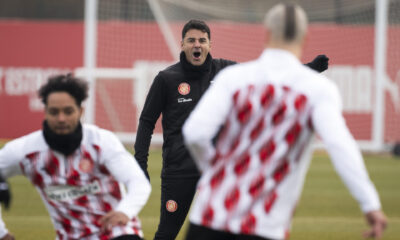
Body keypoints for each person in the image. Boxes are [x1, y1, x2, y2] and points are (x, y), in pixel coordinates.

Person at [182, 4, 387, 240]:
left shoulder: (233, 78)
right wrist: (369, 203)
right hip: (264, 226)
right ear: (305, 38)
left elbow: (194, 133)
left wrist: (212, 169)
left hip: (209, 218)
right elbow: (340, 146)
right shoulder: (317, 90)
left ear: (267, 34)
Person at [134, 19, 329, 240]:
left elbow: (265, 77)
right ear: (182, 44)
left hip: (220, 172)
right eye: (191, 40)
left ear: (209, 44)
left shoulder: (226, 72)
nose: (197, 45)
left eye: (202, 40)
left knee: (227, 232)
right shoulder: (166, 79)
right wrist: (140, 163)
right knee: (167, 233)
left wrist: (308, 69)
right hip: (179, 171)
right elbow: (147, 122)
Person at [0, 74, 151, 240]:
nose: (61, 118)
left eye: (68, 111)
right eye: (54, 112)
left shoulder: (101, 142)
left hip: (117, 233)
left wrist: (125, 211)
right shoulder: (25, 151)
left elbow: (138, 182)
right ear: (45, 112)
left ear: (80, 111)